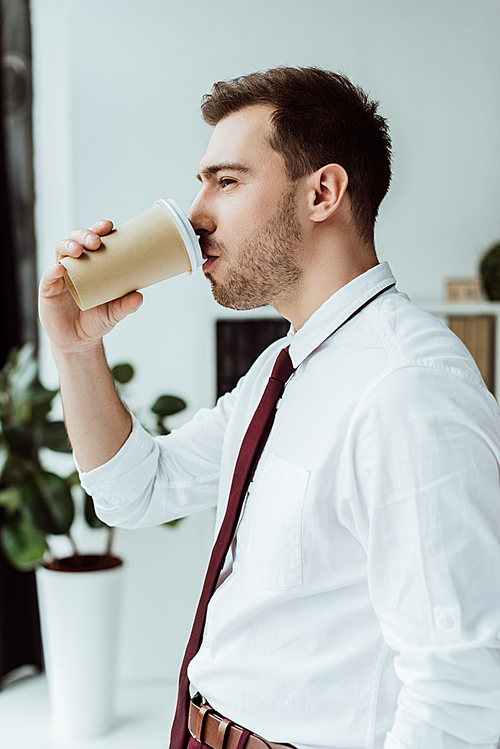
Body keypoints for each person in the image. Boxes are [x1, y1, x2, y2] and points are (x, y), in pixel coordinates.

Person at [38, 67, 500, 749]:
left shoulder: (408, 387)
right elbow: (137, 490)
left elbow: (462, 690)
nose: (195, 214)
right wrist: (76, 350)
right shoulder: (278, 371)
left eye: (225, 181)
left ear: (322, 192)